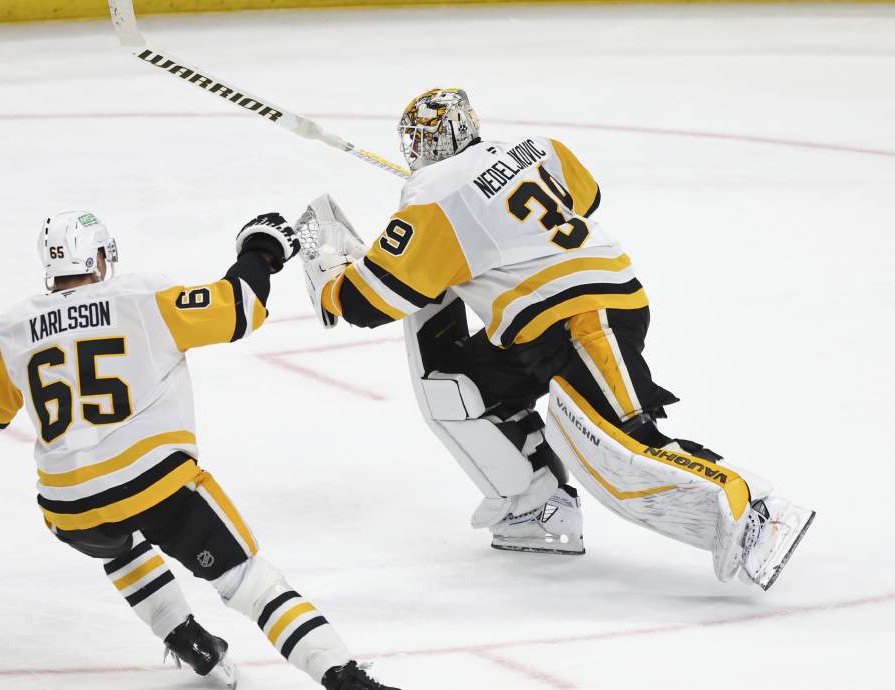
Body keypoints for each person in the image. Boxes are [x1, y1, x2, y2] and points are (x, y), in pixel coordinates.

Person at [298, 88, 814, 590]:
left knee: (626, 445)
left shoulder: (432, 194)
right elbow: (584, 198)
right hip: (542, 328)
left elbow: (368, 304)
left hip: (583, 318)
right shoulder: (539, 148)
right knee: (457, 388)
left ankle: (757, 515)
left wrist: (331, 264)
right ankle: (535, 510)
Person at [0, 210, 402, 689]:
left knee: (117, 542)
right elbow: (239, 308)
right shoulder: (139, 298)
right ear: (99, 259)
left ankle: (187, 638)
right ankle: (344, 678)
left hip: (68, 508)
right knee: (249, 581)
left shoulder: (13, 328)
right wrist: (262, 249)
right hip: (157, 485)